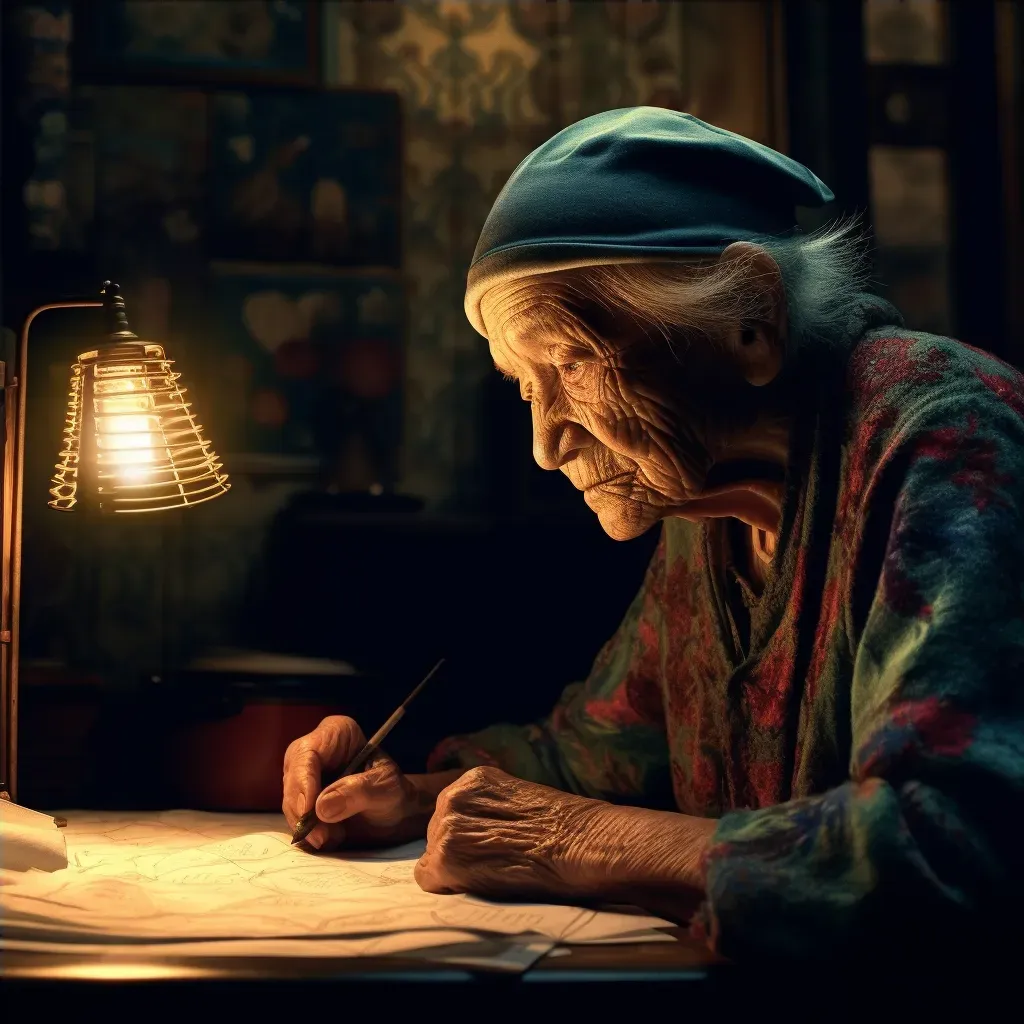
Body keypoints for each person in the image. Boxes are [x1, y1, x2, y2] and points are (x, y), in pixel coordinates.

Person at [282, 108, 1024, 963]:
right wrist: (405, 795)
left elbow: (952, 847)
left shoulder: (944, 440)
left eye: (570, 363)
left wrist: (577, 842)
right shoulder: (703, 505)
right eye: (528, 387)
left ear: (751, 318)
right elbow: (595, 754)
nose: (547, 442)